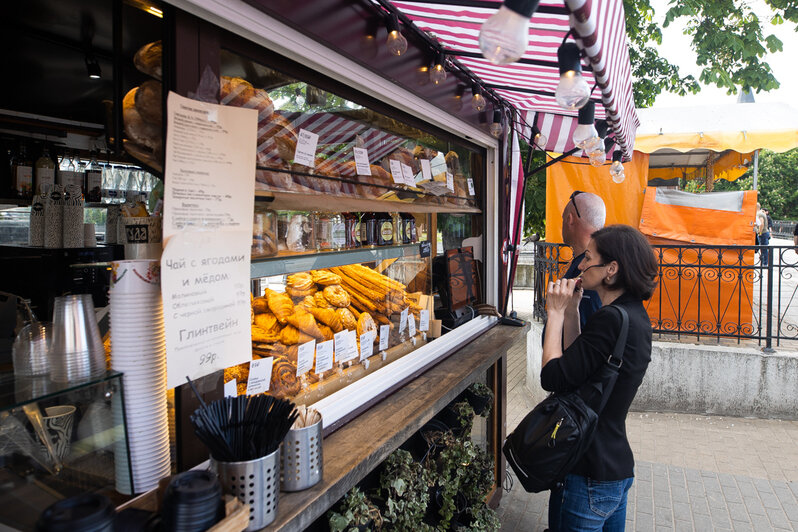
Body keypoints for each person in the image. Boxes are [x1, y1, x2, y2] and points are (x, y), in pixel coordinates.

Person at [542, 225, 658, 531]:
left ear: (611, 269)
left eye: (587, 257)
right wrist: (570, 313)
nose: (579, 265)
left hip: (587, 473)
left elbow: (554, 376)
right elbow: (581, 369)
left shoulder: (610, 319)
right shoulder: (632, 316)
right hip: (614, 469)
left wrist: (553, 313)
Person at [560, 190, 607, 328]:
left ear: (570, 219)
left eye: (563, 218)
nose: (582, 266)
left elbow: (585, 336)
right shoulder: (600, 262)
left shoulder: (592, 271)